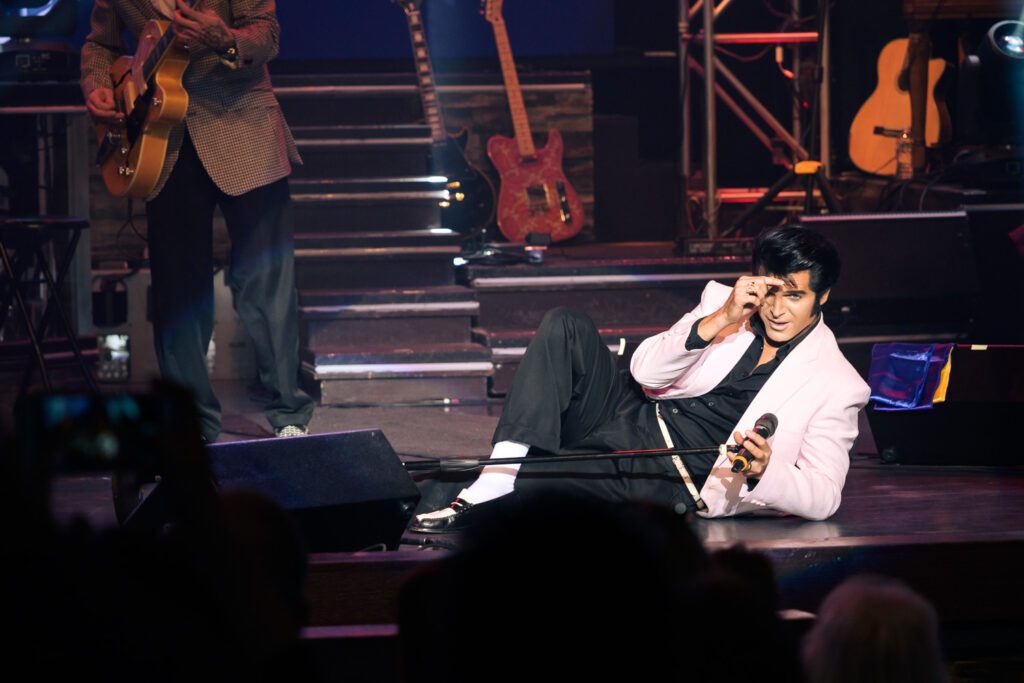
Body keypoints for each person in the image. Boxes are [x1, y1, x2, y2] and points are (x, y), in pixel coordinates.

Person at [412, 225, 870, 531]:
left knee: (532, 491)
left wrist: (766, 472)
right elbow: (645, 372)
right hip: (627, 412)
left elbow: (826, 495)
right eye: (771, 290)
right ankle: (498, 473)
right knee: (565, 323)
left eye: (794, 296)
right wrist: (719, 319)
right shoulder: (724, 303)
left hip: (665, 475)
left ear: (822, 296)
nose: (776, 308)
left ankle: (430, 498)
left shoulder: (837, 381)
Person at [80, 0, 314, 441]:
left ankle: (289, 414)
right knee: (178, 292)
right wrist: (97, 85)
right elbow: (101, 45)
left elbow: (266, 32)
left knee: (265, 282)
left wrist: (225, 37)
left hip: (243, 124)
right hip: (159, 140)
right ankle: (190, 422)